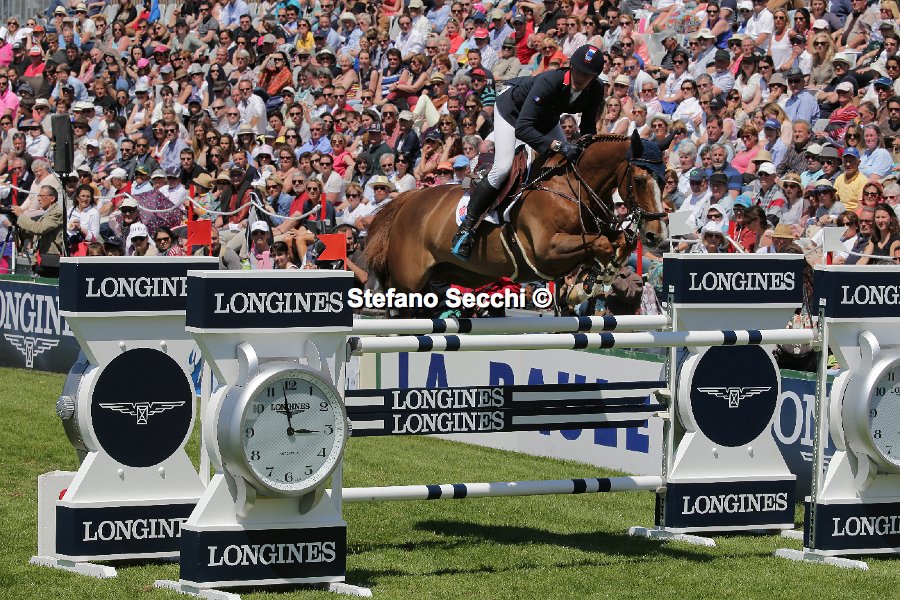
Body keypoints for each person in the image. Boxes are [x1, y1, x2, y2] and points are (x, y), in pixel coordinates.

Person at [450, 44, 607, 260]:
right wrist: (559, 146)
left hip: (546, 117)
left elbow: (588, 128)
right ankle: (466, 229)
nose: (581, 77)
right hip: (512, 112)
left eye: (587, 74)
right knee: (503, 167)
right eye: (579, 70)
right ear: (571, 67)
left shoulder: (596, 90)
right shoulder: (550, 81)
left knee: (570, 164)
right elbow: (523, 129)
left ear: (595, 77)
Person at [11, 185, 63, 276]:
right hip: (42, 257)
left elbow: (39, 228)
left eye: (42, 196)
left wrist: (21, 216)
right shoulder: (46, 213)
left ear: (52, 198)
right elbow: (33, 231)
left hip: (51, 259)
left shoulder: (57, 213)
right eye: (39, 196)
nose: (39, 199)